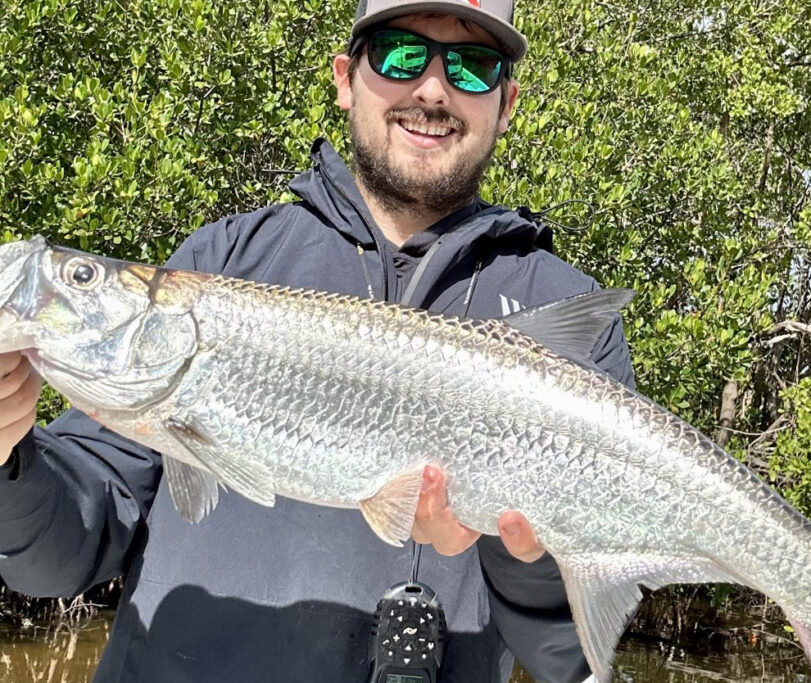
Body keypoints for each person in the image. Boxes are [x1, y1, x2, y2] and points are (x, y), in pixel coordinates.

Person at [0, 0, 634, 680]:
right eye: (400, 55)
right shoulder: (222, 261)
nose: (432, 89)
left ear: (506, 104)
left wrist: (518, 551)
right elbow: (57, 555)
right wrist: (7, 457)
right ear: (344, 78)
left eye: (473, 67)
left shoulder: (564, 314)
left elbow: (569, 658)